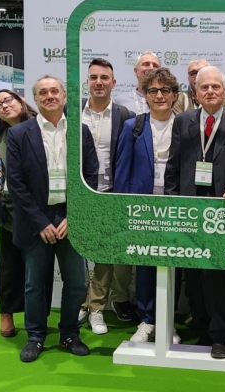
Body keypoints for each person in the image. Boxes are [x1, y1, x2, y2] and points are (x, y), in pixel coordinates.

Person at [164, 66, 225, 359]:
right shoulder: (183, 121)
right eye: (204, 87)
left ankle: (219, 336)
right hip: (189, 209)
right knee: (192, 275)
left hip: (224, 209)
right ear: (196, 92)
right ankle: (203, 329)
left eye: (216, 86)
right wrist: (172, 203)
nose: (210, 91)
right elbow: (174, 165)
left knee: (216, 274)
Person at [6, 75, 96, 362]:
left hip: (71, 218)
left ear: (64, 95)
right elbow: (16, 183)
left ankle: (69, 333)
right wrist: (40, 222)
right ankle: (35, 336)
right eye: (43, 92)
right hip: (36, 220)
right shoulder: (19, 134)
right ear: (35, 99)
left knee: (77, 283)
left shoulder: (80, 132)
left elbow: (91, 177)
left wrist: (74, 216)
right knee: (34, 284)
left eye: (54, 91)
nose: (49, 96)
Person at [114, 67, 181, 344]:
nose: (159, 95)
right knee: (144, 265)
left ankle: (168, 322)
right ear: (145, 95)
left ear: (174, 94)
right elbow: (122, 169)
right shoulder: (134, 126)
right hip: (143, 207)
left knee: (175, 263)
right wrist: (123, 207)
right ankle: (146, 320)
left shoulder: (186, 125)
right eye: (153, 90)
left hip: (178, 208)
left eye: (165, 90)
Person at [0, 90, 54, 339]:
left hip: (41, 207)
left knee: (41, 265)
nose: (4, 106)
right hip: (10, 209)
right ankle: (6, 312)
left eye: (8, 100)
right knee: (9, 264)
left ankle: (37, 315)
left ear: (21, 101)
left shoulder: (42, 126)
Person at [80, 58, 136, 333]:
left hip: (111, 194)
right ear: (87, 82)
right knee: (76, 254)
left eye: (104, 78)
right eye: (94, 77)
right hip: (79, 194)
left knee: (105, 253)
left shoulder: (125, 115)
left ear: (113, 83)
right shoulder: (71, 112)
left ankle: (97, 309)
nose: (99, 82)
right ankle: (82, 302)